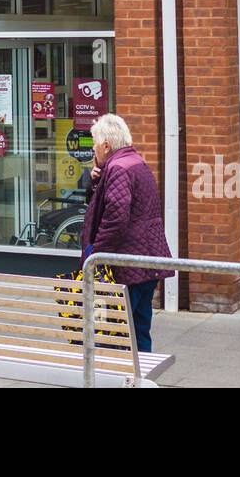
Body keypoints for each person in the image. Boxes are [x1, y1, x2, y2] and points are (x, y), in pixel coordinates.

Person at [79, 113, 173, 353]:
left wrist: (96, 256)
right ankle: (140, 379)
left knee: (116, 333)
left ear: (107, 145)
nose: (93, 151)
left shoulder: (118, 168)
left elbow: (115, 218)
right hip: (145, 263)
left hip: (125, 267)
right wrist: (97, 179)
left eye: (95, 145)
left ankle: (120, 378)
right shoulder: (133, 162)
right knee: (139, 328)